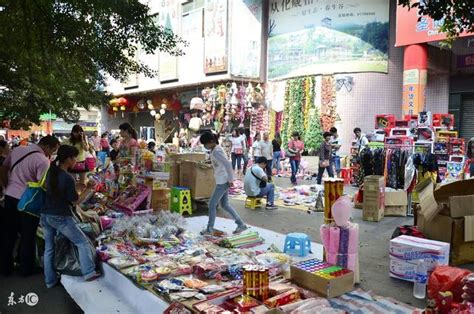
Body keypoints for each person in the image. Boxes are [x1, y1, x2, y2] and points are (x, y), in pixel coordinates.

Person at [41, 145, 100, 288]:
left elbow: (58, 193)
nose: (76, 161)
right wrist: (89, 188)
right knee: (82, 242)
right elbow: (76, 201)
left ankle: (49, 281)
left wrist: (77, 188)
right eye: (74, 158)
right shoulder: (67, 177)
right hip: (60, 216)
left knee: (49, 248)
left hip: (45, 214)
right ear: (68, 159)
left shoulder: (51, 171)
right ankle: (89, 273)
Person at [0, 135, 60, 276]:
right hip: (28, 202)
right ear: (46, 146)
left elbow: (3, 169)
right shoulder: (43, 161)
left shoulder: (17, 150)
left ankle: (5, 268)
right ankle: (26, 268)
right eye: (53, 150)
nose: (51, 154)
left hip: (10, 196)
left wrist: (6, 185)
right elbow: (43, 185)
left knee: (9, 234)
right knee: (28, 235)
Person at [199, 131, 248, 235]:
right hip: (221, 180)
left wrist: (231, 180)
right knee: (225, 205)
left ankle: (209, 229)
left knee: (212, 204)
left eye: (205, 144)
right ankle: (241, 224)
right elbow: (220, 163)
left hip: (223, 181)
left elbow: (228, 164)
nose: (205, 146)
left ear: (211, 141)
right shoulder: (214, 150)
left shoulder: (217, 150)